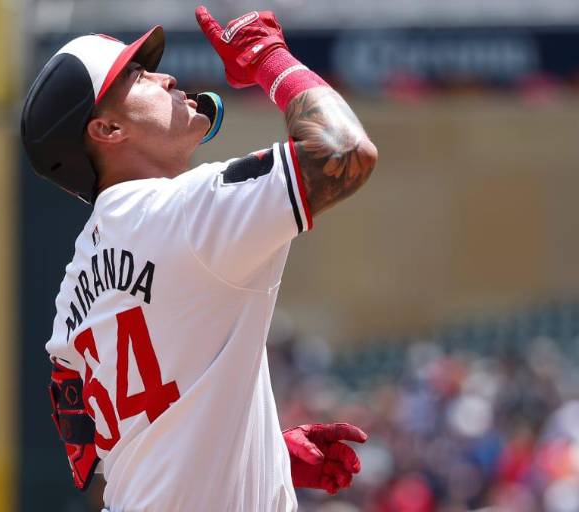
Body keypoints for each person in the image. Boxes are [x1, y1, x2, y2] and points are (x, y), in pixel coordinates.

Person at [21, 6, 377, 512]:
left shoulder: (72, 290)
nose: (165, 77)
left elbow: (101, 460)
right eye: (137, 76)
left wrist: (265, 454)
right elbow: (344, 151)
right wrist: (269, 59)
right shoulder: (182, 211)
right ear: (108, 129)